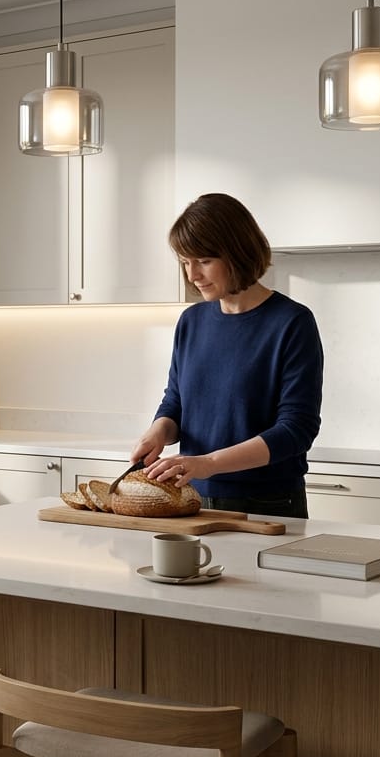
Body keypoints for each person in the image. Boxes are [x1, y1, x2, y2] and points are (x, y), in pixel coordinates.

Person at [132, 193, 323, 518]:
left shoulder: (291, 323)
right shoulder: (191, 322)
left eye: (204, 261)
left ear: (238, 252)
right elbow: (176, 403)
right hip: (191, 499)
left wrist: (210, 463)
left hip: (269, 505)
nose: (192, 275)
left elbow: (295, 430)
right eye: (184, 261)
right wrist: (159, 431)